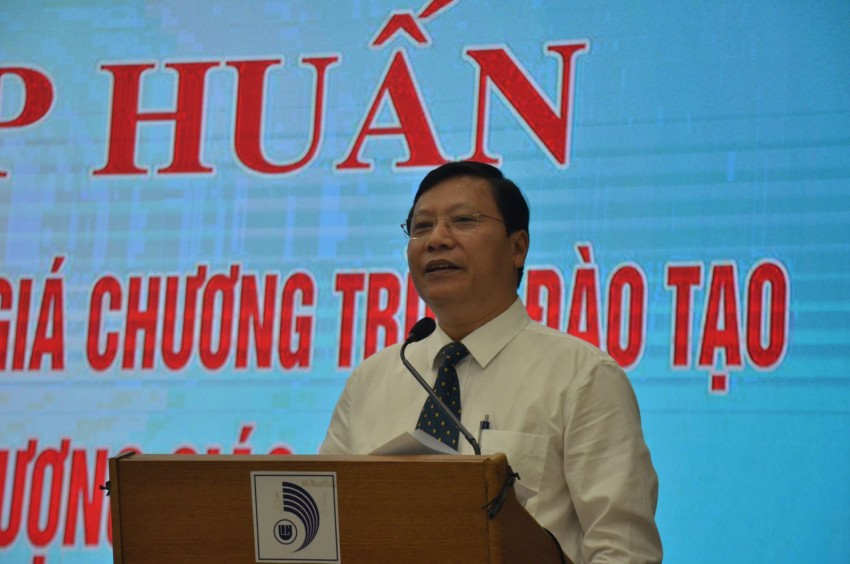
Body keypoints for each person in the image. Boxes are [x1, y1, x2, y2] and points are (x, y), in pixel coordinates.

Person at [319, 161, 662, 563]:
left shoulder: (581, 377)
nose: (437, 239)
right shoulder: (371, 380)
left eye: (464, 221)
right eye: (421, 226)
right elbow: (320, 527)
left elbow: (624, 550)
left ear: (518, 248)